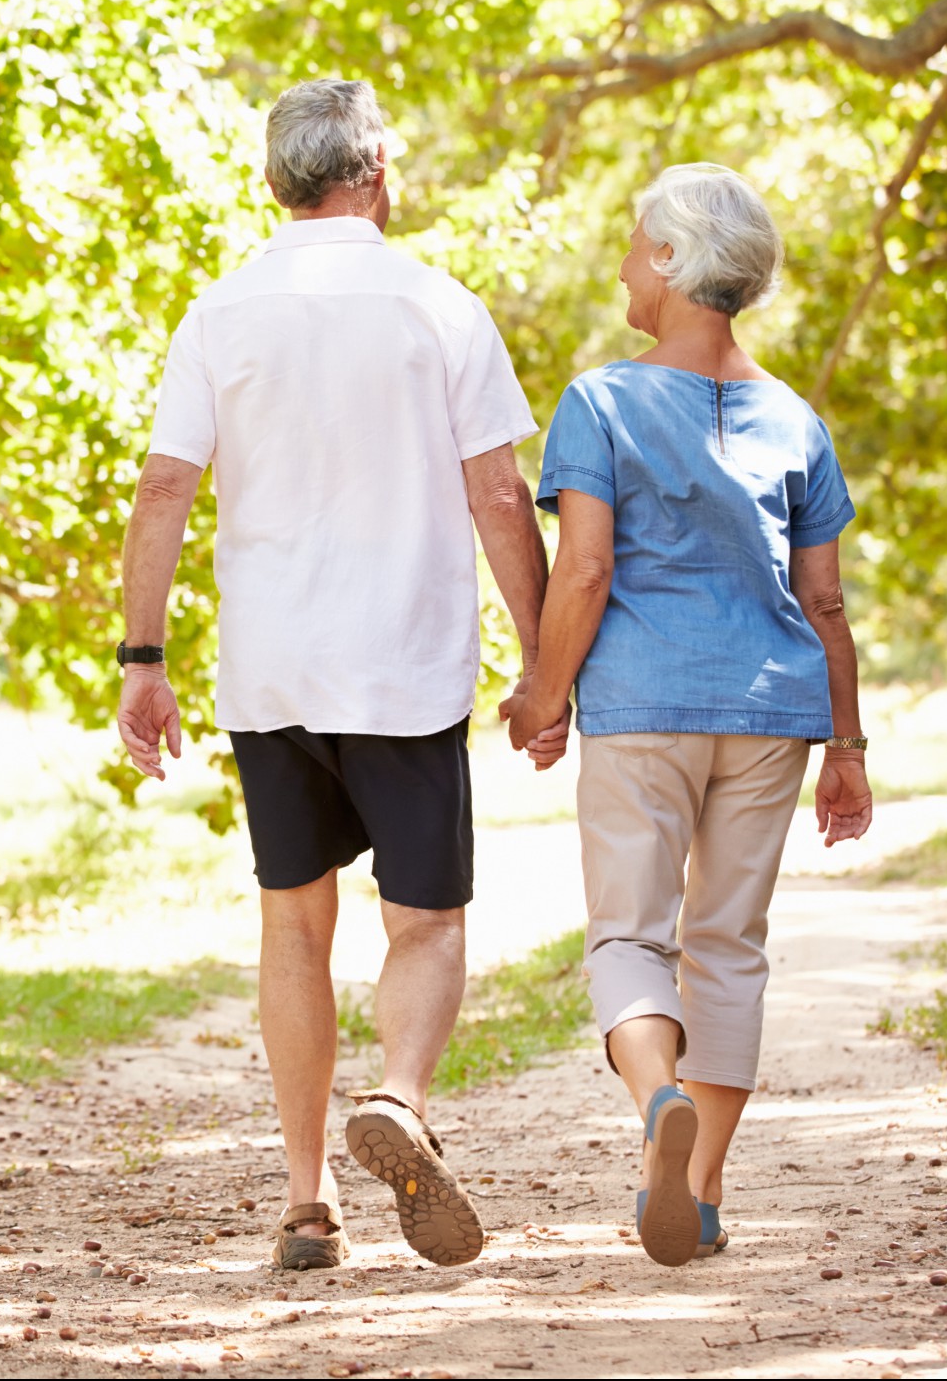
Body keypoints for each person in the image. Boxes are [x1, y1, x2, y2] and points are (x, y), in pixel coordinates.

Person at [117, 79, 556, 1271]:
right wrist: (541, 660)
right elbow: (498, 493)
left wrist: (141, 658)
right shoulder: (438, 306)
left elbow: (165, 486)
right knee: (424, 919)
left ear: (281, 178)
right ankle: (400, 1100)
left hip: (273, 670)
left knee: (291, 924)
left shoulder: (219, 312)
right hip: (404, 665)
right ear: (371, 168)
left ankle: (308, 1200)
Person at [503, 163, 873, 1268]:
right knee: (726, 946)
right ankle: (701, 1186)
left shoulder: (602, 400)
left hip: (643, 707)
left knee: (629, 933)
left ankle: (657, 1095)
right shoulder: (796, 418)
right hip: (769, 715)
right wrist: (845, 747)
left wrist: (541, 691)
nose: (620, 262)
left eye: (630, 243)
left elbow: (582, 574)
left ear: (668, 261)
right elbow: (824, 601)